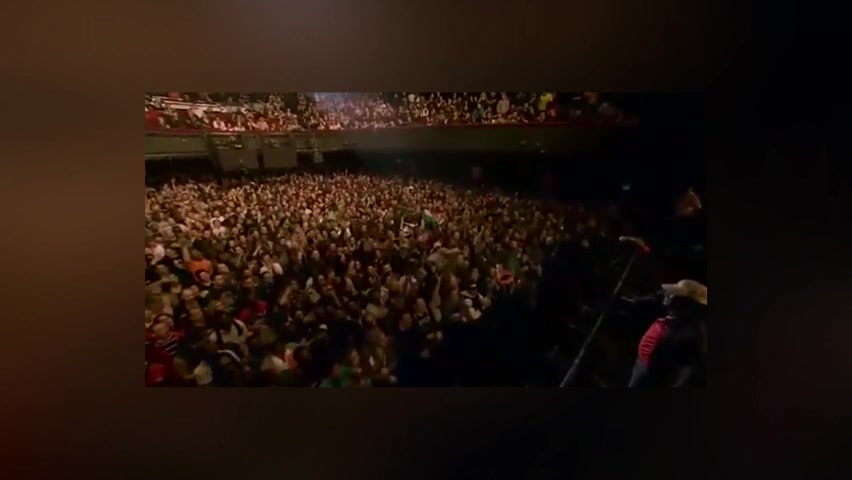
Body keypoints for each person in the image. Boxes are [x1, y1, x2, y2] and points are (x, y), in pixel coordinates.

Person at [628, 279, 707, 387]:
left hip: (653, 376)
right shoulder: (670, 310)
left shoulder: (690, 333)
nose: (668, 293)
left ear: (685, 302)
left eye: (675, 293)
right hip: (642, 364)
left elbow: (687, 369)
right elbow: (644, 300)